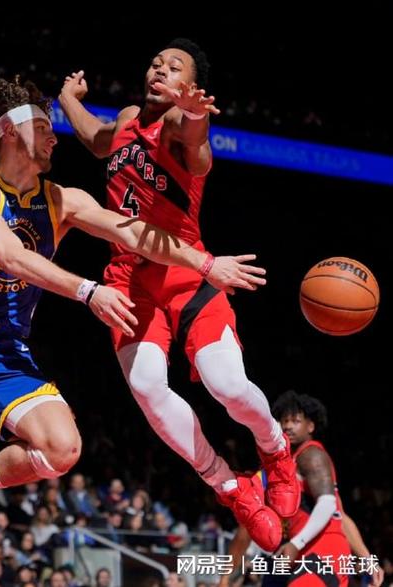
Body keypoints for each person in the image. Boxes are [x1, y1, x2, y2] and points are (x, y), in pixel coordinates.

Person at [0, 76, 265, 577]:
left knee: (62, 450)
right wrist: (88, 291)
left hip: (7, 348)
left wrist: (204, 263)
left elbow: (136, 233)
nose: (55, 137)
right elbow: (11, 256)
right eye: (43, 127)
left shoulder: (61, 199)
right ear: (10, 132)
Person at [59, 38, 299, 551]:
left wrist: (194, 115)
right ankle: (230, 487)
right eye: (155, 63)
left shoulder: (177, 126)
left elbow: (197, 145)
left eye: (174, 67)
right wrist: (66, 101)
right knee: (146, 387)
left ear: (191, 87)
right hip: (128, 278)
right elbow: (97, 140)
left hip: (187, 273)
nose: (159, 70)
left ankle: (275, 450)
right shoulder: (128, 119)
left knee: (227, 386)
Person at [218, 391, 383, 587]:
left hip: (320, 550)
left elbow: (332, 509)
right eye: (284, 421)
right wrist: (225, 578)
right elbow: (245, 531)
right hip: (292, 553)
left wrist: (367, 559)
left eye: (295, 421)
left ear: (310, 426)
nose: (288, 426)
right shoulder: (270, 472)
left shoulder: (311, 454)